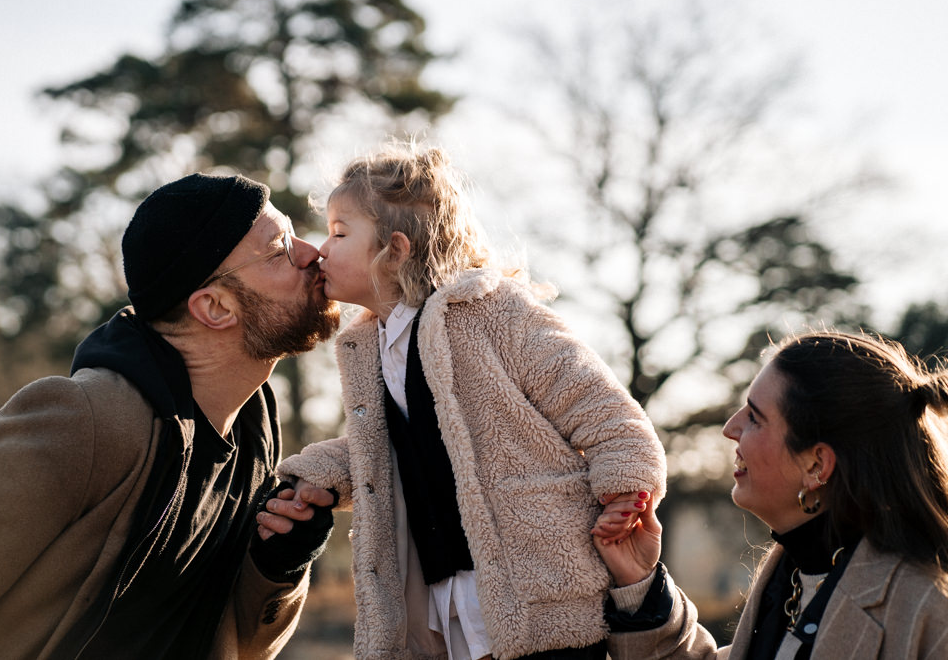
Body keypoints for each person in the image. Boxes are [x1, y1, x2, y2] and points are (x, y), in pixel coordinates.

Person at [270, 142, 667, 660]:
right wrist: (319, 472)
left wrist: (624, 491)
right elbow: (392, 444)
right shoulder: (370, 346)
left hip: (536, 592)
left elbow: (601, 409)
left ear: (395, 249)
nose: (322, 249)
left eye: (340, 233)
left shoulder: (494, 312)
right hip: (445, 598)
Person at [0, 173, 343, 659]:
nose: (314, 251)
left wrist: (277, 566)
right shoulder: (81, 420)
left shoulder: (254, 428)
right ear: (215, 307)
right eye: (280, 247)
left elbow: (240, 646)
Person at [595, 331, 948, 659]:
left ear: (816, 465)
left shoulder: (929, 611)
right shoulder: (792, 576)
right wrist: (640, 583)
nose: (730, 428)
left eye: (755, 418)